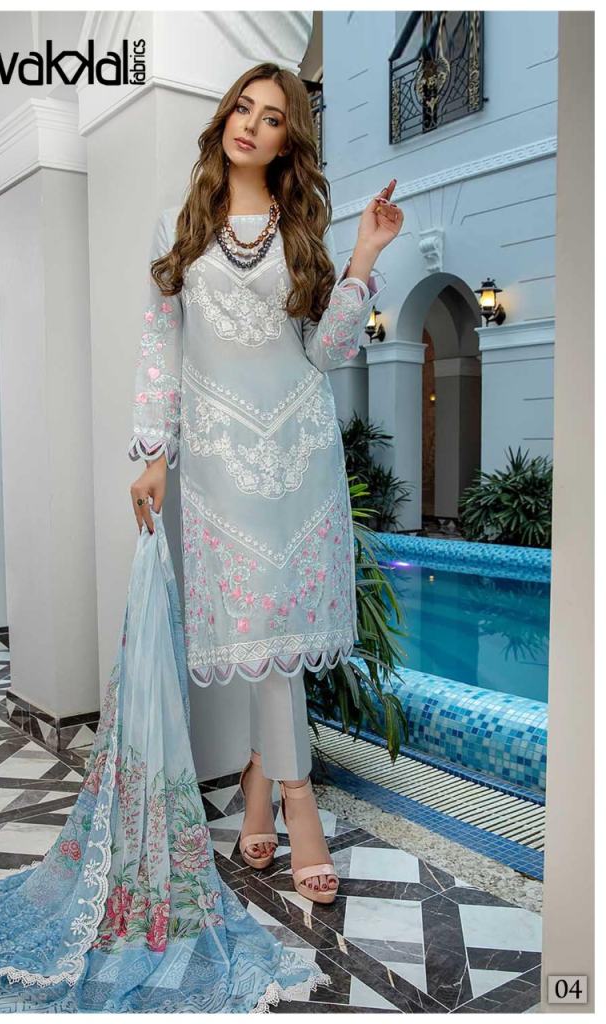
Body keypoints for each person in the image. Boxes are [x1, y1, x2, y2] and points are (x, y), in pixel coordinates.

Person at [128, 62, 403, 904]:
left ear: (289, 139)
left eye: (272, 116)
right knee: (259, 635)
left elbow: (327, 352)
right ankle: (287, 792)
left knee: (275, 638)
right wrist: (153, 451)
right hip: (223, 464)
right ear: (225, 120)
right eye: (242, 108)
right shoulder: (180, 226)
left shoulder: (301, 230)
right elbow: (159, 345)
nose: (250, 124)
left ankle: (272, 787)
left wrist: (363, 255)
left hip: (299, 454)